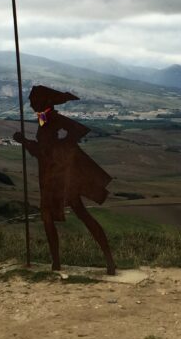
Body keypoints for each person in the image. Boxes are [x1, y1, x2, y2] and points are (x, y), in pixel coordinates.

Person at [13, 85, 116, 275]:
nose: (31, 104)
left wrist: (59, 148)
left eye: (33, 101)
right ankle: (58, 262)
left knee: (67, 215)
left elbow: (78, 131)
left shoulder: (53, 118)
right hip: (50, 175)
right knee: (53, 217)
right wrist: (27, 142)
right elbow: (42, 150)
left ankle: (104, 260)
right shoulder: (44, 119)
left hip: (58, 177)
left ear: (43, 101)